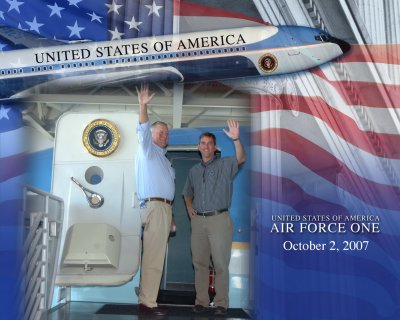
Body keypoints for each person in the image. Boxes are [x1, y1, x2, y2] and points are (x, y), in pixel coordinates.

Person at [182, 120, 246, 316]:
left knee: (220, 264)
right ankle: (200, 301)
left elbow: (241, 159)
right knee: (199, 263)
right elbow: (187, 192)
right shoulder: (194, 170)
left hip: (219, 219)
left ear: (214, 147)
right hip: (199, 221)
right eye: (202, 143)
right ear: (198, 147)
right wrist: (190, 208)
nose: (206, 146)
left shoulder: (225, 164)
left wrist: (236, 139)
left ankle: (221, 303)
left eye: (209, 143)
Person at [135, 83, 175, 316]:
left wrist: (171, 217)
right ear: (152, 135)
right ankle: (147, 302)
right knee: (152, 255)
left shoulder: (165, 160)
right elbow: (142, 127)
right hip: (153, 207)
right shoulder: (147, 150)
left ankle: (146, 297)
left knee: (154, 253)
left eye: (167, 133)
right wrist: (142, 106)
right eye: (160, 132)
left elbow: (168, 192)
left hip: (164, 209)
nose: (164, 135)